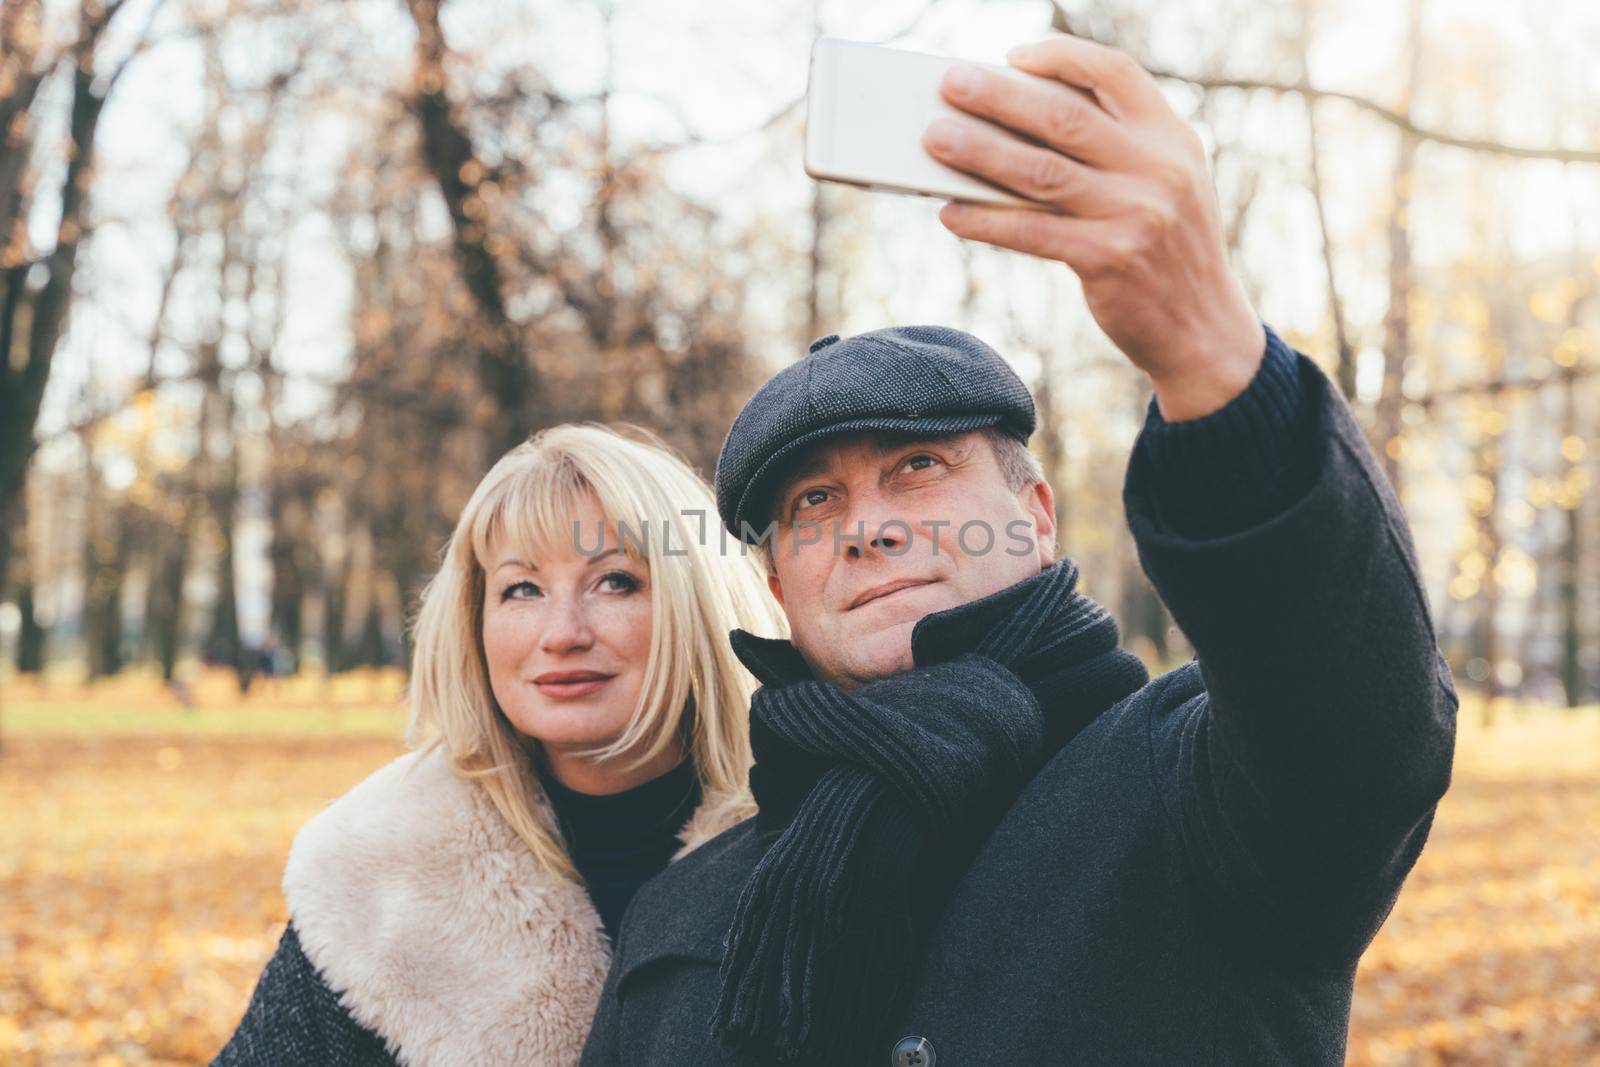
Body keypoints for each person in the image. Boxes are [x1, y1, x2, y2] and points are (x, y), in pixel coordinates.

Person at [580, 33, 1458, 1067]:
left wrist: (1211, 350)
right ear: (777, 580)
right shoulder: (682, 911)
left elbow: (1350, 710)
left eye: (916, 468)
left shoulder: (1199, 784)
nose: (867, 524)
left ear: (1034, 513)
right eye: (814, 499)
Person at [214, 424, 785, 1067]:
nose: (562, 633)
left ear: (701, 603)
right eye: (521, 589)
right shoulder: (383, 869)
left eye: (616, 581)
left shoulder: (819, 839)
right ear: (474, 623)